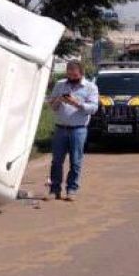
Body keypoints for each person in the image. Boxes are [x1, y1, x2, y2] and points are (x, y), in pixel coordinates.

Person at [47, 61, 99, 201]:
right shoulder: (60, 84)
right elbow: (51, 105)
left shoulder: (90, 87)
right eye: (69, 74)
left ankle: (71, 189)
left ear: (81, 73)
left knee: (75, 161)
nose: (71, 77)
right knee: (57, 161)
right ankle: (54, 189)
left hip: (78, 129)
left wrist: (77, 103)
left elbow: (94, 108)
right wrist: (57, 100)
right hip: (60, 128)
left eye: (74, 74)